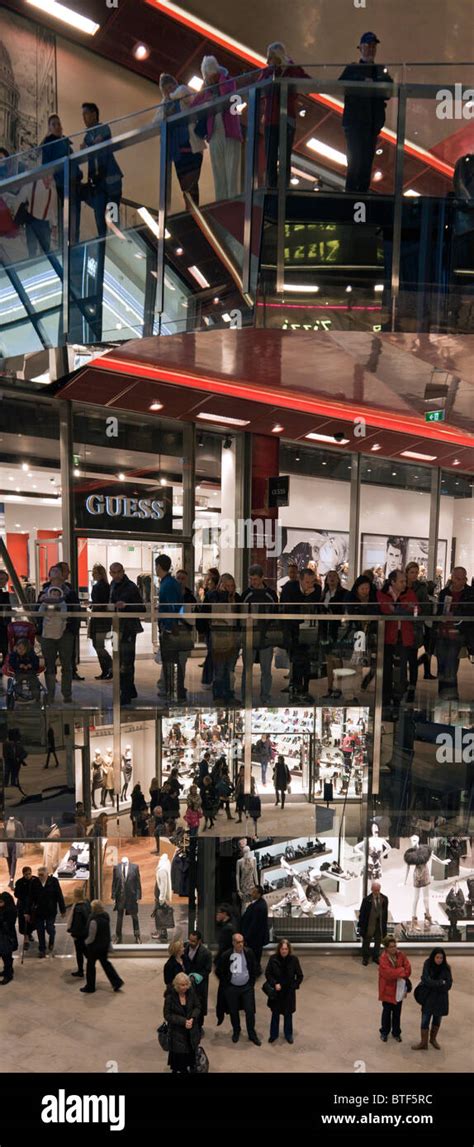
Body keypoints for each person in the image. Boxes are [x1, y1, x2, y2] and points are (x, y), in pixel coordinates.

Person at [339, 33, 393, 193]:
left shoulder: (379, 70)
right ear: (361, 48)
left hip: (370, 124)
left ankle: (358, 197)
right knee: (355, 162)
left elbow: (389, 90)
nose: (371, 49)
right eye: (368, 46)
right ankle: (352, 198)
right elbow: (342, 84)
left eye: (373, 47)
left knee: (365, 164)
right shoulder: (353, 69)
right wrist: (366, 83)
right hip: (357, 123)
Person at [260, 42, 309, 187]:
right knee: (270, 157)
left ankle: (284, 189)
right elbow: (259, 88)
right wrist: (272, 72)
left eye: (271, 57)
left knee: (284, 157)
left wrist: (289, 69)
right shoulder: (268, 72)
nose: (268, 61)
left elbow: (307, 82)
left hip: (286, 119)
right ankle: (272, 187)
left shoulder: (292, 69)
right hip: (271, 120)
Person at [195, 56, 242, 201]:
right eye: (206, 77)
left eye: (209, 76)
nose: (208, 80)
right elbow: (193, 106)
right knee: (219, 173)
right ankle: (221, 203)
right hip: (214, 135)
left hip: (230, 134)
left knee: (231, 172)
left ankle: (232, 203)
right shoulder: (207, 90)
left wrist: (220, 78)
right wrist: (205, 95)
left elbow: (229, 94)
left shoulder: (228, 81)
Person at [37, 564, 80, 704]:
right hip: (47, 632)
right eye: (52, 575)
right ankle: (51, 694)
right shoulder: (44, 591)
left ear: (63, 576)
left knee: (66, 664)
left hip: (66, 632)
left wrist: (73, 629)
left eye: (58, 575)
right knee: (50, 664)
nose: (55, 578)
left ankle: (67, 694)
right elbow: (38, 611)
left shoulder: (70, 592)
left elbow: (75, 612)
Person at [81, 103, 123, 237]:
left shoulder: (103, 128)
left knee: (113, 215)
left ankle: (116, 238)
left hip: (110, 178)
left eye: (86, 114)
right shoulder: (87, 136)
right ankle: (103, 244)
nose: (84, 118)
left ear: (94, 114)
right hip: (97, 182)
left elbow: (101, 140)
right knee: (100, 219)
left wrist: (89, 146)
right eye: (83, 115)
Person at [378, 569, 419, 706]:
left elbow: (415, 610)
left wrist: (399, 608)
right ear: (392, 582)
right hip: (387, 636)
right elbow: (386, 609)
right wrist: (402, 608)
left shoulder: (410, 593)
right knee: (386, 669)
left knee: (401, 669)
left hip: (404, 636)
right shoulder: (382, 594)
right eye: (401, 581)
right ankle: (385, 698)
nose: (404, 584)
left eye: (405, 581)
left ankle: (397, 698)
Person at [241, 564, 278, 705]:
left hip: (265, 636)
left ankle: (265, 696)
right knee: (247, 670)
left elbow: (275, 614)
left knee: (266, 670)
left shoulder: (271, 594)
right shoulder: (246, 594)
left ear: (262, 578)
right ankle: (246, 696)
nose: (253, 582)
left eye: (255, 579)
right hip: (249, 635)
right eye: (251, 579)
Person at [41, 112, 81, 241]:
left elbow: (73, 161)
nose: (57, 126)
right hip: (60, 185)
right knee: (65, 218)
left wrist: (79, 174)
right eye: (54, 124)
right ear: (50, 128)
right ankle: (67, 244)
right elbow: (46, 165)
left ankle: (73, 243)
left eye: (59, 124)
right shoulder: (48, 143)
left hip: (73, 182)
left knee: (74, 218)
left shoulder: (65, 142)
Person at [215, 932, 261, 1045]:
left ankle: (251, 1033)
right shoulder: (227, 955)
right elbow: (219, 971)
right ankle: (236, 1030)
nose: (241, 944)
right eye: (238, 942)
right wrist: (226, 984)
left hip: (246, 987)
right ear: (233, 943)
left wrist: (251, 983)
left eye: (242, 942)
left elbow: (255, 967)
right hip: (232, 988)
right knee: (233, 1011)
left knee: (250, 1011)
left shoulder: (248, 952)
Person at [109, 563, 145, 705]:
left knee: (126, 662)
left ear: (123, 572)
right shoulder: (113, 585)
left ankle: (126, 693)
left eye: (119, 572)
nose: (116, 575)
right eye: (114, 572)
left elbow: (140, 608)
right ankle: (128, 690)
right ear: (110, 573)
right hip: (118, 627)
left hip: (128, 628)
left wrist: (126, 606)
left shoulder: (131, 587)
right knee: (121, 660)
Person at [436, 567, 474, 699]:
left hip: (459, 633)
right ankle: (443, 692)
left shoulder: (470, 593)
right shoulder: (444, 593)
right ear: (452, 578)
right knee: (442, 662)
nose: (461, 581)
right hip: (443, 632)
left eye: (463, 578)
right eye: (458, 578)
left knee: (451, 661)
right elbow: (439, 612)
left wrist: (456, 614)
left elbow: (470, 612)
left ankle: (451, 694)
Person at [156, 554, 187, 702]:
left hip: (170, 628)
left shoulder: (167, 584)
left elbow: (171, 607)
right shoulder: (170, 582)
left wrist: (168, 626)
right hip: (170, 626)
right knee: (172, 662)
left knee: (171, 662)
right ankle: (175, 691)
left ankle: (175, 692)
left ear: (159, 566)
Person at [168, 85, 206, 207]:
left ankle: (192, 213)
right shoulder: (181, 111)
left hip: (188, 154)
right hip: (185, 154)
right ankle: (192, 213)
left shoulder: (190, 111)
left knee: (190, 187)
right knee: (189, 188)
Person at [412, 947, 453, 1051]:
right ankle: (423, 1042)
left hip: (440, 999)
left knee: (437, 1020)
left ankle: (433, 1039)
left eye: (441, 958)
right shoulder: (428, 964)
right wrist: (440, 982)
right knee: (425, 1020)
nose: (439, 960)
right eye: (437, 957)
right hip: (428, 998)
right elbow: (425, 979)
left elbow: (448, 985)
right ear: (433, 957)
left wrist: (434, 983)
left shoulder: (446, 968)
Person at [264, 938, 303, 1044]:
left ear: (289, 949)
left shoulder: (294, 960)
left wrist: (293, 986)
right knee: (275, 1014)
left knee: (288, 1015)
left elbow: (300, 976)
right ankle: (273, 1034)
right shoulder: (273, 959)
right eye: (282, 949)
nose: (284, 951)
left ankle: (288, 1034)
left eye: (286, 949)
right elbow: (268, 974)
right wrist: (274, 983)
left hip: (288, 993)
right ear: (279, 949)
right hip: (277, 992)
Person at [80, 899, 123, 994]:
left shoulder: (93, 921)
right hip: (104, 946)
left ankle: (90, 986)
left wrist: (86, 942)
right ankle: (117, 982)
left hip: (94, 948)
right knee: (106, 965)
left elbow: (91, 936)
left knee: (90, 966)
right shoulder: (106, 917)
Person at [164, 972, 202, 1074]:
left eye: (186, 984)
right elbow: (167, 1015)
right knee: (179, 1065)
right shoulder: (170, 997)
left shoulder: (191, 993)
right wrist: (183, 1021)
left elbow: (198, 1007)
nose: (185, 987)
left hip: (191, 1033)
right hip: (177, 1034)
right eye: (182, 985)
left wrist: (192, 1018)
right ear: (176, 985)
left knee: (190, 1061)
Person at [378, 936, 411, 1043]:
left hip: (399, 990)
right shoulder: (383, 958)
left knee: (397, 1014)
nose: (394, 949)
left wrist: (397, 972)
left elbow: (408, 969)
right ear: (386, 948)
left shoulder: (401, 955)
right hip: (387, 990)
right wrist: (401, 970)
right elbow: (388, 974)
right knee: (386, 1013)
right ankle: (384, 1032)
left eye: (395, 946)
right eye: (391, 947)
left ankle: (396, 1032)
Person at [32, 865, 66, 958]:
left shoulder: (53, 881)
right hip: (39, 911)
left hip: (50, 911)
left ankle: (52, 938)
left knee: (50, 928)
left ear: (47, 874)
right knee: (40, 930)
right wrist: (27, 911)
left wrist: (63, 909)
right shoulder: (35, 882)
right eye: (39, 875)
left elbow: (59, 895)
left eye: (42, 875)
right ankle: (42, 949)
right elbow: (30, 898)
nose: (40, 877)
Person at [89, 563, 113, 680]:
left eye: (95, 573)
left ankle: (109, 667)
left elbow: (99, 603)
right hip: (104, 619)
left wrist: (92, 605)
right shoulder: (107, 586)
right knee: (99, 645)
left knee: (98, 645)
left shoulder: (98, 586)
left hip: (99, 620)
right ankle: (107, 669)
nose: (93, 575)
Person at [183, 930, 213, 1019]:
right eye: (190, 940)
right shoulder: (185, 948)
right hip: (185, 982)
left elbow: (207, 970)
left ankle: (199, 1026)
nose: (191, 943)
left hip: (200, 984)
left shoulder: (206, 953)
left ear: (199, 941)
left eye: (193, 941)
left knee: (199, 1004)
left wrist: (195, 976)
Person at [241, 886, 270, 975]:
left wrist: (247, 936)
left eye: (254, 892)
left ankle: (255, 971)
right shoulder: (256, 904)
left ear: (259, 894)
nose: (251, 893)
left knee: (255, 955)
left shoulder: (259, 906)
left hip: (255, 938)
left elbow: (255, 924)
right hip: (254, 937)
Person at [358, 881, 388, 965]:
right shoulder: (367, 900)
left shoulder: (384, 899)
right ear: (372, 890)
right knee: (366, 941)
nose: (377, 892)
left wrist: (384, 925)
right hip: (369, 924)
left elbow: (385, 913)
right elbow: (362, 913)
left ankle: (376, 957)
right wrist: (361, 926)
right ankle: (365, 958)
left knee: (378, 941)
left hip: (379, 925)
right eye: (375, 890)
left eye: (378, 890)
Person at [67, 886, 91, 979]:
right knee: (84, 951)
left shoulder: (78, 908)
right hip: (86, 932)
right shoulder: (87, 903)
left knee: (80, 952)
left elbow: (77, 923)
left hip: (80, 934)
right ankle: (87, 966)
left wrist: (73, 933)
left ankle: (81, 970)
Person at [13, 866, 36, 949]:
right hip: (22, 905)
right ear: (23, 874)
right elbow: (16, 894)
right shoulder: (19, 882)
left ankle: (29, 934)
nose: (28, 876)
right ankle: (26, 940)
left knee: (31, 922)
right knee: (23, 923)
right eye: (26, 874)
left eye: (29, 874)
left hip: (32, 906)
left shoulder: (35, 880)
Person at [0, 891, 18, 985]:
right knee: (4, 955)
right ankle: (6, 970)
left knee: (7, 956)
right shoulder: (3, 909)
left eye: (1, 902)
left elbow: (8, 924)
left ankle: (8, 974)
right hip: (3, 936)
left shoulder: (11, 910)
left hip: (7, 937)